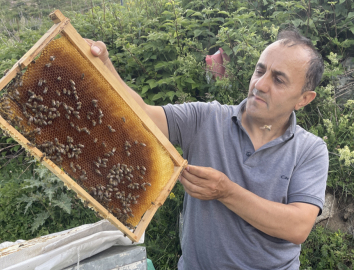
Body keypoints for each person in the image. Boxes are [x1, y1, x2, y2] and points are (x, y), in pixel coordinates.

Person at [86, 29, 328, 269]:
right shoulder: (205, 118)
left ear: (303, 99)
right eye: (260, 70)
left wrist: (225, 191)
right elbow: (143, 116)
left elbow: (297, 227)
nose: (260, 85)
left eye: (278, 79)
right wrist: (104, 64)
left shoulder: (310, 150)